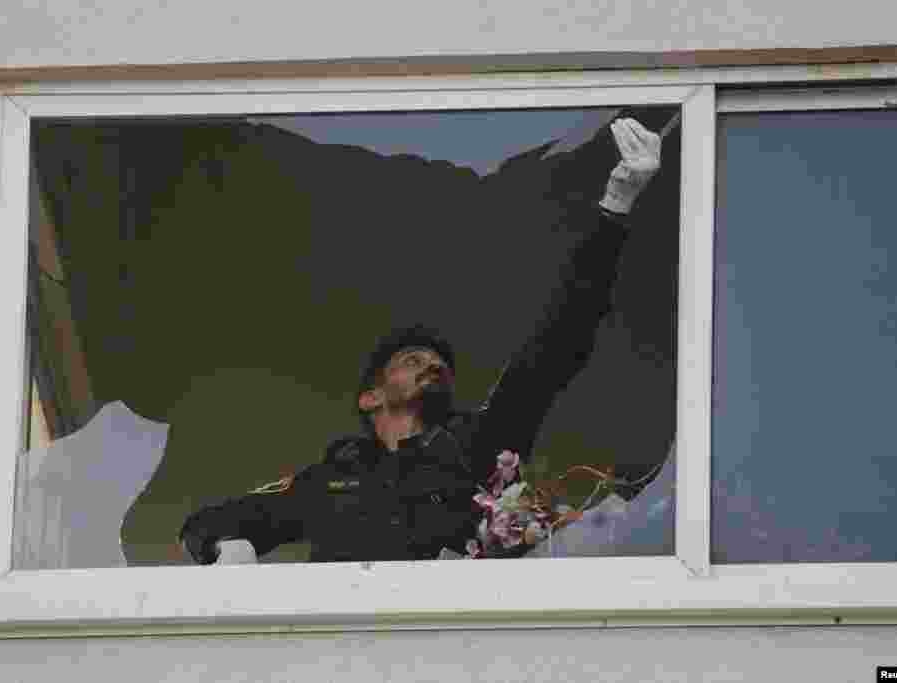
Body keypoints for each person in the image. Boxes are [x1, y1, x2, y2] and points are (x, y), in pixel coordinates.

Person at [179, 117, 663, 564]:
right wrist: (227, 545)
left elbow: (555, 345)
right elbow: (209, 522)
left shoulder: (481, 445)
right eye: (412, 359)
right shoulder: (327, 481)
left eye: (439, 364)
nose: (431, 364)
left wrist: (614, 208)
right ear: (369, 396)